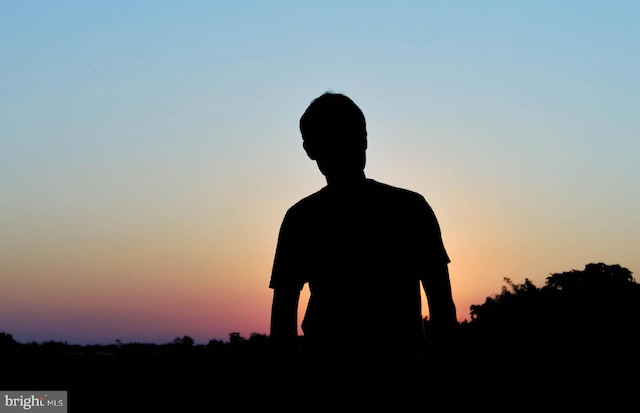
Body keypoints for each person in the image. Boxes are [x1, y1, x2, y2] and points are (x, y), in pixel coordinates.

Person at [269, 92, 457, 372]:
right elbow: (441, 305)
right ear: (311, 150)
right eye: (334, 139)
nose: (345, 147)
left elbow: (283, 315)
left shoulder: (303, 217)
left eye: (350, 136)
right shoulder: (409, 208)